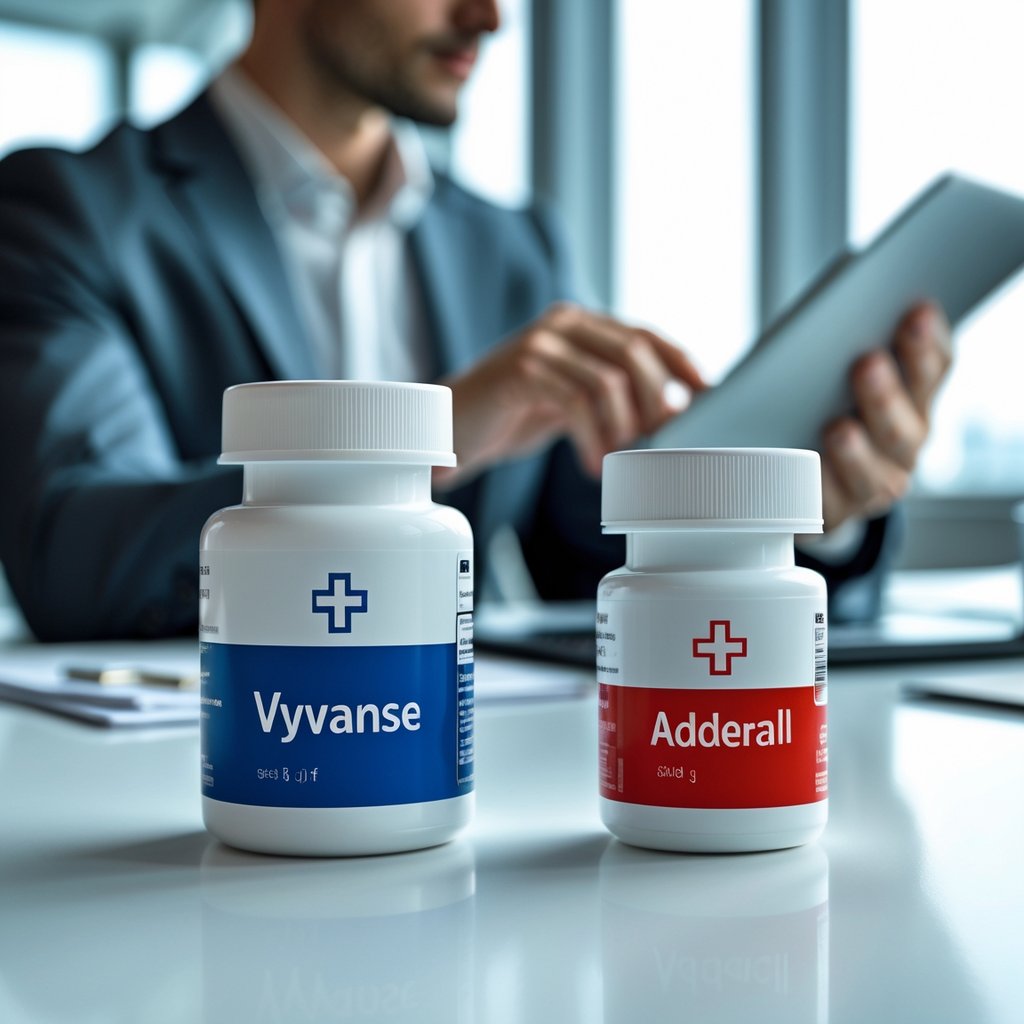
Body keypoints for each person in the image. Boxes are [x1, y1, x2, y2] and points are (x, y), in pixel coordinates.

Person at [0, 0, 952, 641]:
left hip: (465, 817)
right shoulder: (71, 209)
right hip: (205, 789)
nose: (491, 16)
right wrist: (426, 437)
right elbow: (71, 553)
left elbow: (599, 567)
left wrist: (793, 517)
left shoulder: (510, 248)